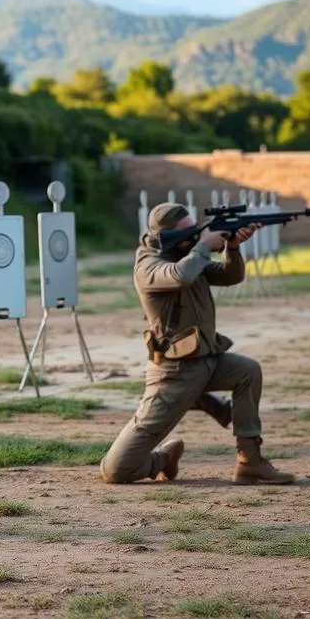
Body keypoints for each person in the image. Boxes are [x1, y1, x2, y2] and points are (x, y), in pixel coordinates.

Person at [99, 202, 295, 486]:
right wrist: (203, 244)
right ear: (164, 235)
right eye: (187, 232)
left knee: (247, 371)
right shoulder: (148, 266)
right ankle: (164, 458)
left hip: (206, 360)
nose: (193, 235)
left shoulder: (188, 256)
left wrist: (232, 247)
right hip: (174, 375)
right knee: (115, 470)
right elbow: (180, 276)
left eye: (195, 229)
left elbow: (230, 276)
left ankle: (249, 462)